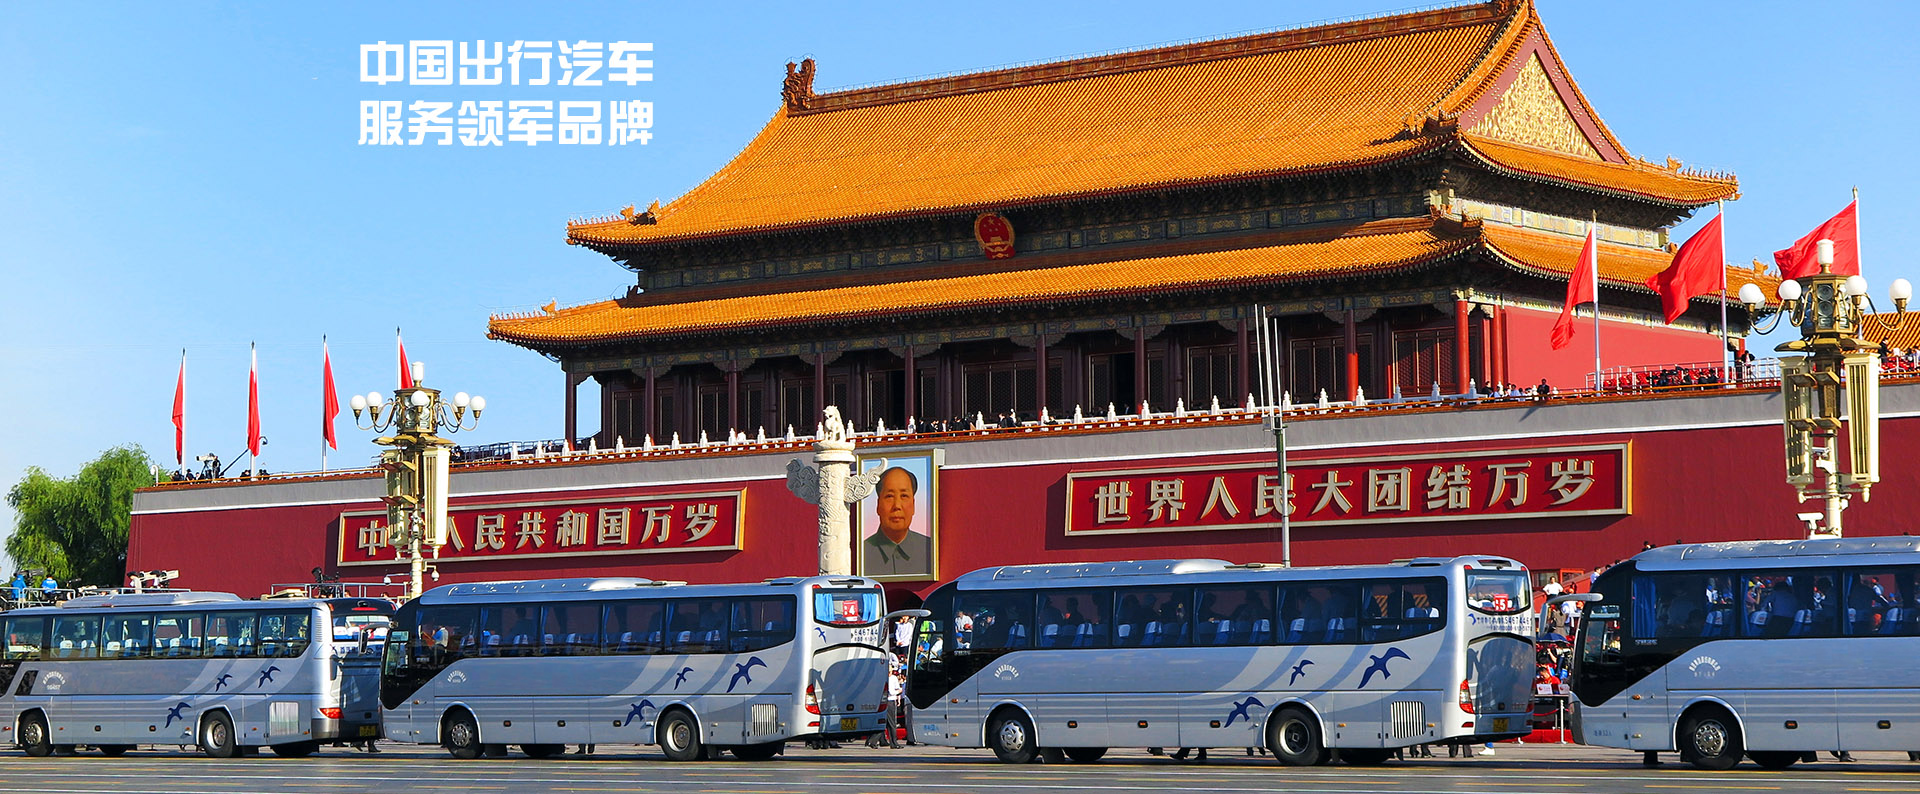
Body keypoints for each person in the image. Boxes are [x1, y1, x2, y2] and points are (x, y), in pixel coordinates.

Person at [862, 467, 932, 577]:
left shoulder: (930, 550)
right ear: (878, 505)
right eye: (889, 496)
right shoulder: (861, 553)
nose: (897, 506)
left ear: (913, 505)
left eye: (904, 496)